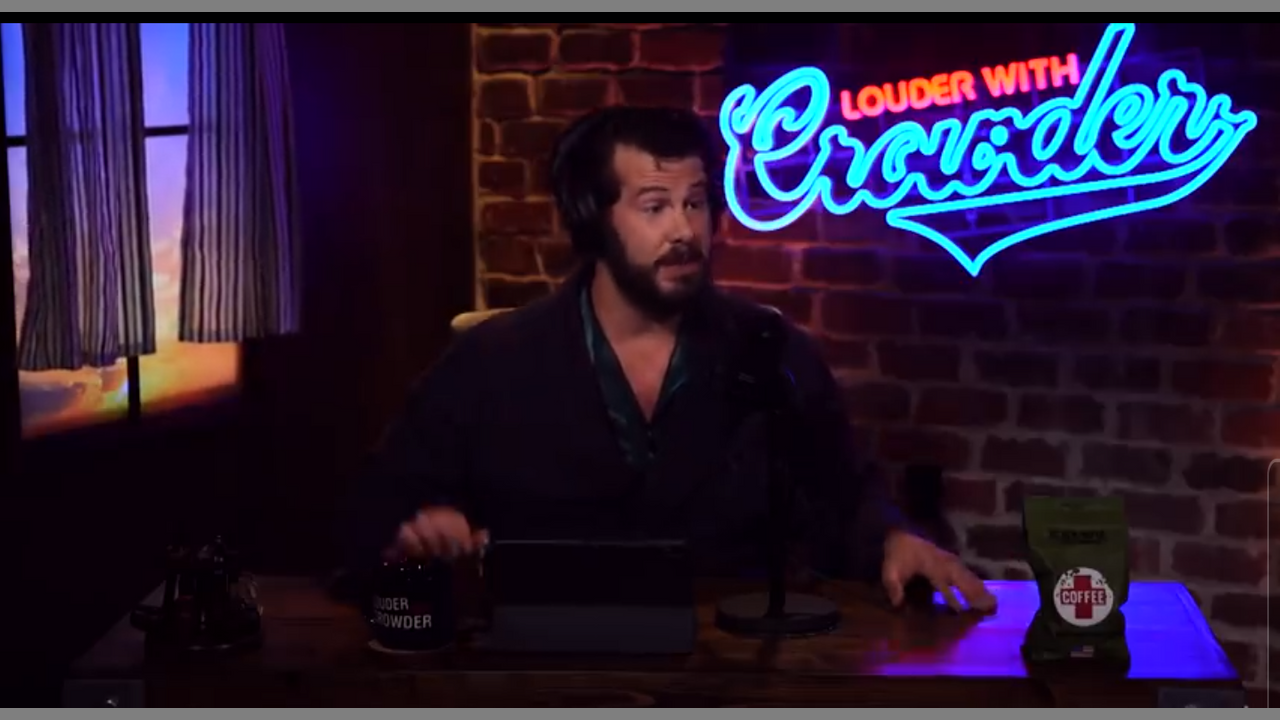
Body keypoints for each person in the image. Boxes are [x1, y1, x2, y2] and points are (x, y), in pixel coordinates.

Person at [347, 105, 995, 613]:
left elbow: (845, 495)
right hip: (543, 665)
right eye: (655, 207)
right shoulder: (493, 360)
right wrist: (423, 530)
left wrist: (892, 539)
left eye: (696, 202)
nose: (684, 230)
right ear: (591, 220)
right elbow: (376, 512)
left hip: (737, 667)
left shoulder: (771, 349)